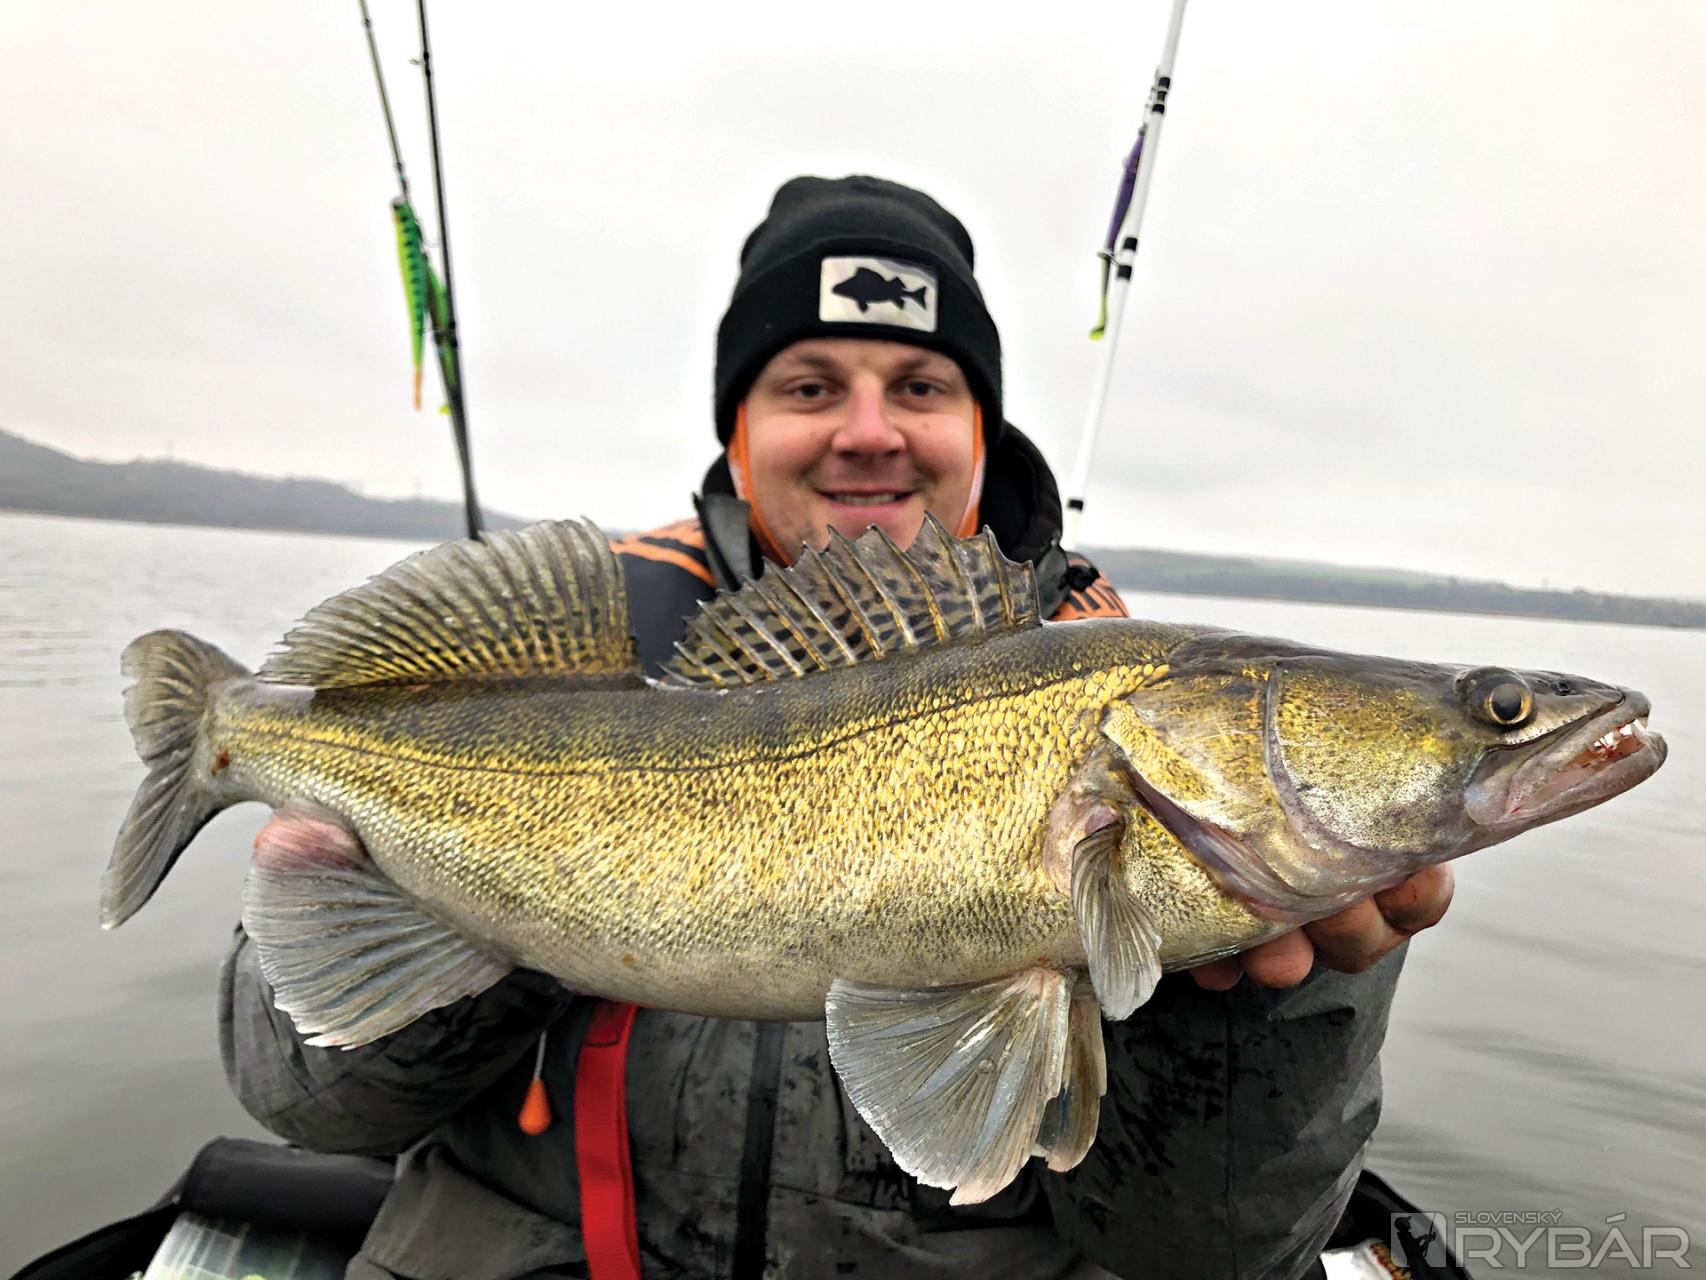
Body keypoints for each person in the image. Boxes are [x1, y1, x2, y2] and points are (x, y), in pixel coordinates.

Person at [222, 175, 1454, 1280]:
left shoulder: (1110, 689)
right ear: (736, 431)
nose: (868, 430)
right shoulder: (566, 662)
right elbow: (308, 1108)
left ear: (981, 431)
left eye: (920, 385)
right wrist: (475, 901)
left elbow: (1213, 1251)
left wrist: (1255, 1009)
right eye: (809, 385)